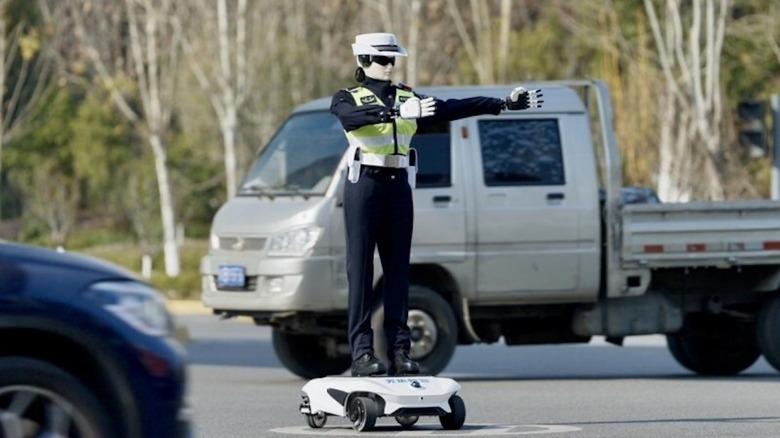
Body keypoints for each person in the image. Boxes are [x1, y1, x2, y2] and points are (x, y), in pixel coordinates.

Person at [330, 32, 542, 377]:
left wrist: (501, 104)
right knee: (361, 272)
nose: (389, 66)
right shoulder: (348, 97)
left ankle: (400, 352)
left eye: (392, 60)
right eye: (383, 60)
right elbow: (352, 118)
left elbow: (454, 108)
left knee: (399, 272)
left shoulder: (408, 95)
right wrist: (396, 111)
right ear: (363, 61)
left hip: (398, 185)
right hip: (364, 184)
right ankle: (362, 354)